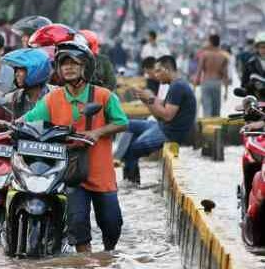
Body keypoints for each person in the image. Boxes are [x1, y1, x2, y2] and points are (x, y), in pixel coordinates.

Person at [22, 41, 128, 252]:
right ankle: (85, 262)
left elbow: (122, 122)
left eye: (74, 63)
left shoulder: (104, 96)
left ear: (85, 67)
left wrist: (96, 133)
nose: (68, 67)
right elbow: (29, 120)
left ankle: (108, 258)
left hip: (101, 173)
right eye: (64, 64)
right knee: (78, 225)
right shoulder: (52, 98)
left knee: (112, 223)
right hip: (70, 173)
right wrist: (6, 124)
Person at [123, 55, 196, 184]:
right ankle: (120, 160)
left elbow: (167, 115)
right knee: (127, 124)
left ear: (167, 69)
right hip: (161, 126)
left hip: (169, 133)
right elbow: (159, 107)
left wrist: (149, 99)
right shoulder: (175, 84)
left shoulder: (178, 86)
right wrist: (145, 98)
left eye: (158, 71)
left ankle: (131, 184)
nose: (156, 75)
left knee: (132, 150)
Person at [195, 34, 229, 117]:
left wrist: (195, 84)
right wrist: (226, 91)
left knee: (207, 108)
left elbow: (199, 71)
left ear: (210, 42)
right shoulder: (223, 56)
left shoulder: (204, 54)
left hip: (206, 82)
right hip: (217, 83)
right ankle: (215, 128)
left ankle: (207, 128)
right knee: (216, 109)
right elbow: (225, 75)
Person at [242, 31, 265, 96]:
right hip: (256, 99)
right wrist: (252, 85)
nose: (264, 50)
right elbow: (244, 84)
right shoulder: (250, 63)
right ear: (257, 48)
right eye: (262, 47)